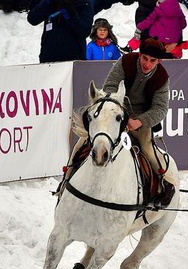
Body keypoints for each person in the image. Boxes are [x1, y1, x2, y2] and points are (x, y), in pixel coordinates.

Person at [64, 38, 175, 207]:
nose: (147, 63)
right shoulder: (126, 61)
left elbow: (160, 109)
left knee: (147, 148)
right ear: (140, 55)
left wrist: (139, 121)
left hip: (140, 119)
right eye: (144, 58)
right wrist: (116, 110)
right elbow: (110, 86)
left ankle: (165, 185)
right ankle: (66, 180)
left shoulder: (162, 78)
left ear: (159, 61)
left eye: (152, 60)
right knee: (82, 142)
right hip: (115, 109)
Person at [27, 0, 93, 63]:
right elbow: (32, 19)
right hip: (48, 57)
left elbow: (84, 31)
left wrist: (67, 12)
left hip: (73, 58)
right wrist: (47, 2)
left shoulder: (84, 3)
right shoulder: (49, 3)